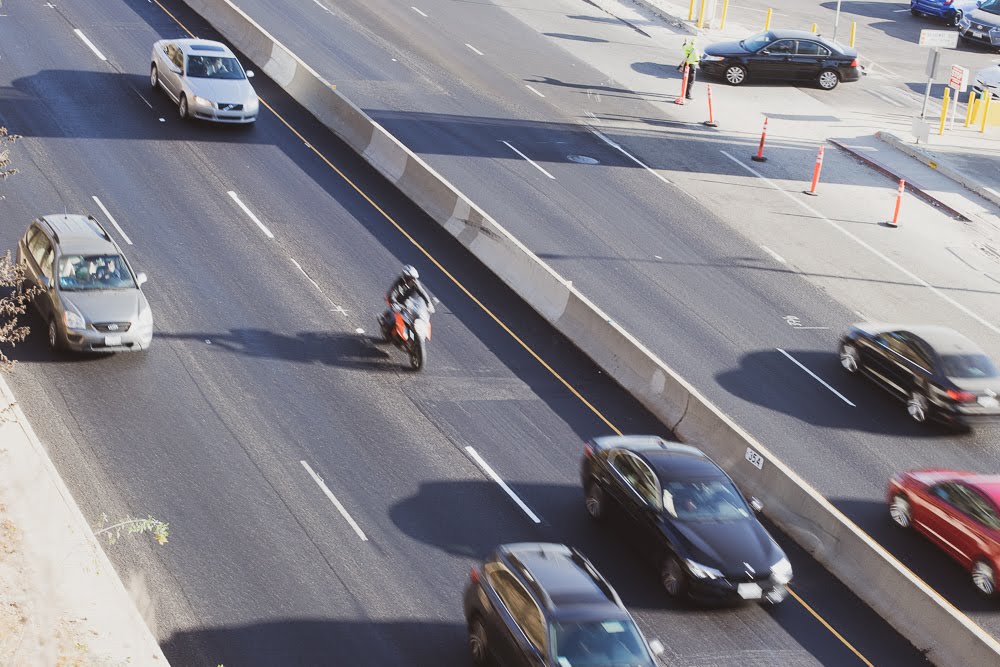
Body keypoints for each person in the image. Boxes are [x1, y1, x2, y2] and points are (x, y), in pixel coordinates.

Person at [380, 265, 434, 338]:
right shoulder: (399, 282)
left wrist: (428, 303)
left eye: (414, 278)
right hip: (397, 302)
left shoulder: (415, 284)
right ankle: (388, 331)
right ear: (405, 276)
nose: (412, 280)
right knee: (394, 319)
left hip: (409, 304)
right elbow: (393, 292)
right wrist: (394, 301)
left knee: (413, 320)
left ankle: (411, 336)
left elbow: (422, 293)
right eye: (410, 278)